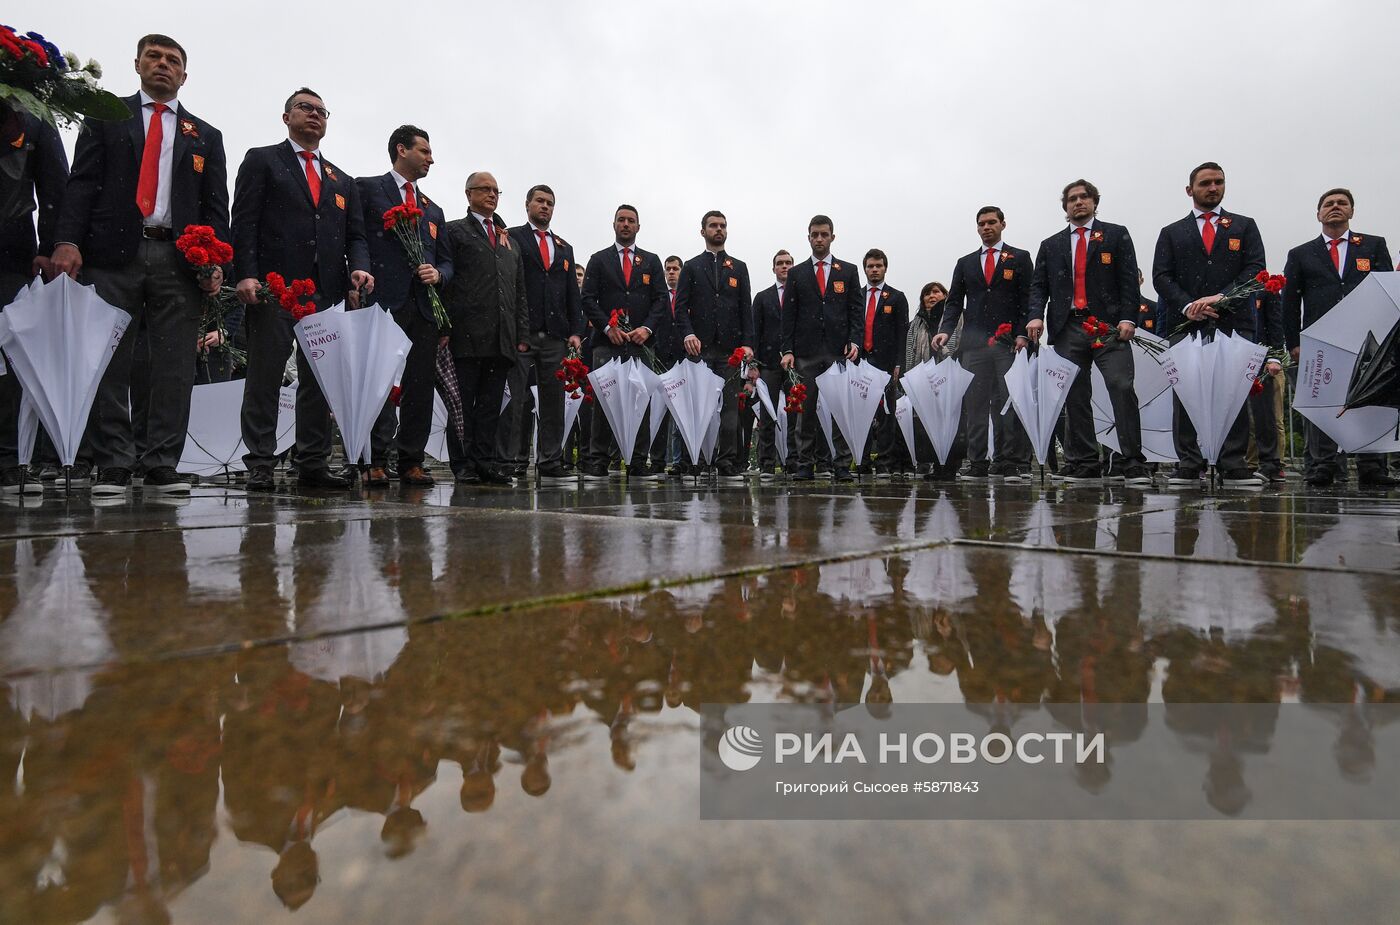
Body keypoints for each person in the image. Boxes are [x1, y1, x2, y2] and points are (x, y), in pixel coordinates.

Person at [51, 34, 228, 498]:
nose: (163, 65)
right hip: (111, 255)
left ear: (184, 76)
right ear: (137, 64)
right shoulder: (107, 118)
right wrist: (67, 241)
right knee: (109, 358)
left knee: (172, 364)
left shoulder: (205, 136)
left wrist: (213, 261)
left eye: (173, 60)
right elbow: (81, 183)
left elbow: (215, 208)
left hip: (178, 258)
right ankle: (112, 461)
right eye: (154, 56)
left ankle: (161, 463)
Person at [232, 87, 372, 491]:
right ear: (286, 117)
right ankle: (260, 461)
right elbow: (243, 221)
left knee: (320, 381)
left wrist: (360, 269)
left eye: (322, 111)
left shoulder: (341, 180)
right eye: (305, 108)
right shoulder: (263, 160)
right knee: (265, 376)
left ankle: (312, 461)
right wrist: (246, 273)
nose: (315, 115)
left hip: (324, 294)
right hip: (274, 288)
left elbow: (356, 237)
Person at [1027, 181, 1151, 487]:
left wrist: (1128, 318)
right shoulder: (1051, 244)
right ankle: (1083, 461)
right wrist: (1034, 316)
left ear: (1095, 202)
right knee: (1074, 395)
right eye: (1072, 199)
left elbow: (1127, 279)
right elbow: (1039, 287)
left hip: (1108, 326)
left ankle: (1131, 461)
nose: (1078, 202)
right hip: (1068, 327)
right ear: (1065, 207)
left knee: (1121, 386)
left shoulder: (1115, 234)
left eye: (1084, 197)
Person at [1152, 161, 1266, 489]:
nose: (1212, 188)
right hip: (1186, 323)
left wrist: (1221, 297)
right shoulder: (1171, 232)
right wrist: (1188, 304)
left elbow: (1255, 269)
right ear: (1190, 190)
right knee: (1185, 394)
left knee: (1234, 393)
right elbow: (1162, 276)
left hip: (1234, 322)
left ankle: (1234, 464)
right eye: (1205, 183)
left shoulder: (1244, 226)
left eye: (1218, 182)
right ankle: (1188, 465)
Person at [357, 124, 453, 487]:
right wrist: (362, 272)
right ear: (402, 149)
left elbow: (447, 261)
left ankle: (411, 459)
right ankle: (376, 459)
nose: (431, 158)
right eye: (425, 151)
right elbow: (359, 237)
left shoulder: (433, 209)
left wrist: (439, 274)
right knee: (381, 383)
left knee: (419, 385)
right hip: (384, 301)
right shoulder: (368, 189)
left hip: (425, 307)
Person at [1282, 187, 1397, 488]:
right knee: (1324, 400)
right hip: (1323, 341)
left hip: (1368, 340)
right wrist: (1293, 342)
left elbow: (1387, 288)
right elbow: (1290, 302)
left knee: (1371, 400)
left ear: (1351, 211)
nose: (1335, 207)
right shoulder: (1301, 254)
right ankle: (1323, 465)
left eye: (1342, 203)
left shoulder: (1372, 246)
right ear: (1318, 213)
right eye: (1328, 204)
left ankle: (1372, 466)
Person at [440, 172, 528, 484]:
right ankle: (462, 463)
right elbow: (447, 285)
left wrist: (521, 334)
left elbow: (518, 292)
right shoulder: (454, 232)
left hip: (501, 338)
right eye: (485, 189)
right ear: (469, 194)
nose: (492, 195)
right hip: (466, 333)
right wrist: (445, 326)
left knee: (492, 405)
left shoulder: (509, 242)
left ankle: (485, 461)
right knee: (462, 403)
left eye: (496, 190)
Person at [933, 206, 1033, 482]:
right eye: (981, 224)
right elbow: (954, 302)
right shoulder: (965, 263)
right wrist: (945, 330)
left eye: (992, 222)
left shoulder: (1020, 258)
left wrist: (1022, 333)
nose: (986, 227)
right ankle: (977, 461)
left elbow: (1028, 299)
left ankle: (1010, 460)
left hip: (1008, 342)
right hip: (974, 345)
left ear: (1003, 224)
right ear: (977, 228)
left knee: (1008, 401)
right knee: (975, 405)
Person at [0, 104, 67, 494]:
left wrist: (52, 244)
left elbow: (54, 185)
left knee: (9, 358)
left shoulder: (34, 117)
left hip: (10, 250)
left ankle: (7, 457)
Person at [579, 204, 668, 482]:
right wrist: (607, 326)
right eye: (621, 220)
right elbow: (587, 298)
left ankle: (638, 460)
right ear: (614, 224)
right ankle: (598, 460)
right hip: (607, 344)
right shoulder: (599, 259)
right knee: (604, 403)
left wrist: (647, 328)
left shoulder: (651, 261)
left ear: (638, 227)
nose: (626, 224)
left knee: (641, 402)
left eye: (631, 221)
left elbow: (661, 300)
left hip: (641, 344)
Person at [505, 185, 585, 486]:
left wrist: (576, 332)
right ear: (527, 205)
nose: (545, 207)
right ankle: (513, 460)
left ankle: (550, 460)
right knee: (516, 399)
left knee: (553, 401)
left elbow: (571, 296)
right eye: (540, 201)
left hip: (555, 335)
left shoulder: (564, 247)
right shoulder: (512, 237)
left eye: (550, 203)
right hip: (522, 332)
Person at [780, 214, 861, 482]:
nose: (819, 239)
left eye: (824, 234)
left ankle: (841, 464)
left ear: (832, 237)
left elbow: (855, 311)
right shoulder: (796, 273)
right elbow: (788, 315)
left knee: (840, 410)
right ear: (809, 237)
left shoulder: (847, 271)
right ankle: (805, 464)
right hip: (806, 353)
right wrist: (787, 349)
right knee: (805, 411)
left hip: (838, 351)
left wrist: (855, 340)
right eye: (814, 234)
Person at [674, 211, 754, 482]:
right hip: (699, 348)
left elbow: (746, 309)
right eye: (713, 226)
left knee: (730, 408)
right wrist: (688, 334)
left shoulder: (739, 267)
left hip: (730, 351)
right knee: (697, 407)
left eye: (722, 226)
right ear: (703, 231)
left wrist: (747, 344)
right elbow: (680, 307)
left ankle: (727, 461)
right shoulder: (691, 266)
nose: (718, 230)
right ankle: (692, 460)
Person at [857, 249, 908, 479]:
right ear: (864, 268)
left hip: (886, 364)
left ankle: (885, 462)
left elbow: (901, 334)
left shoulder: (896, 297)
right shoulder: (856, 296)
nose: (874, 270)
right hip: (860, 363)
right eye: (870, 266)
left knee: (887, 413)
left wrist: (899, 363)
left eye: (878, 266)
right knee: (862, 414)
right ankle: (862, 460)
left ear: (885, 268)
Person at [905, 282, 963, 479]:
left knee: (950, 420)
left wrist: (948, 357)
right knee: (929, 422)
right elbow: (910, 351)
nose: (931, 296)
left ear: (946, 295)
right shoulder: (916, 323)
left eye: (936, 292)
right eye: (927, 293)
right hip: (924, 376)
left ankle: (949, 466)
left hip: (949, 372)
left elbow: (960, 342)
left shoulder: (956, 317)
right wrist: (910, 378)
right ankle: (935, 464)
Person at [752, 250, 794, 479]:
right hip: (768, 364)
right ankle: (767, 464)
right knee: (767, 415)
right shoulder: (762, 297)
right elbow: (754, 332)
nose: (784, 266)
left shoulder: (801, 295)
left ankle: (794, 462)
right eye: (780, 263)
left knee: (797, 414)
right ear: (773, 268)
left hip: (795, 364)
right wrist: (753, 365)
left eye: (788, 263)